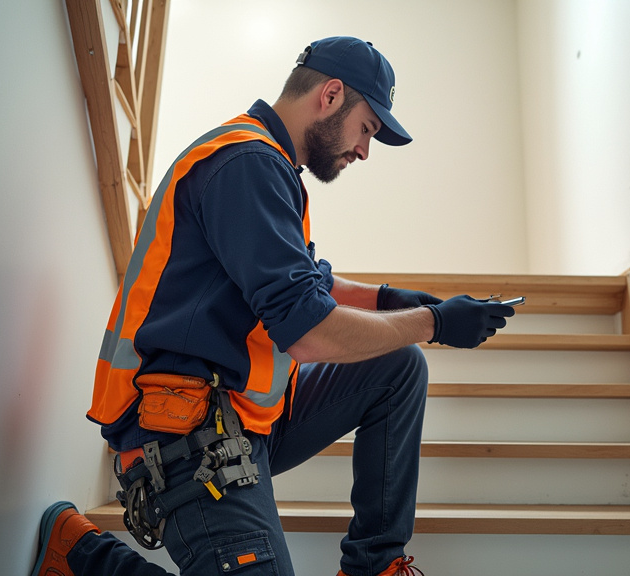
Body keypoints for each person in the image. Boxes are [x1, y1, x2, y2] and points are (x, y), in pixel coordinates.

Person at [31, 36, 515, 576]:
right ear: (331, 95)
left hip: (241, 417)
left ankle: (375, 565)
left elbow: (308, 284)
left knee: (397, 367)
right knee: (405, 346)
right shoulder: (247, 164)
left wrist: (388, 300)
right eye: (367, 129)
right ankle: (84, 557)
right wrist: (432, 322)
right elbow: (307, 330)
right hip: (180, 436)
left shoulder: (267, 165)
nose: (364, 150)